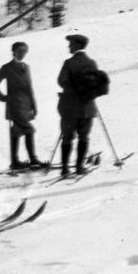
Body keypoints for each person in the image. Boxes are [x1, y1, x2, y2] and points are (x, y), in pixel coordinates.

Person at [0, 41, 41, 171]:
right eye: (19, 51)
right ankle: (33, 159)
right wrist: (3, 98)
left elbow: (29, 88)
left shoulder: (26, 67)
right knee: (29, 129)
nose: (22, 53)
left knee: (17, 130)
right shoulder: (7, 67)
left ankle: (15, 161)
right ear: (14, 52)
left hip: (25, 105)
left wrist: (33, 106)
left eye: (24, 51)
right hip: (15, 105)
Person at [56, 33, 99, 177]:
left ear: (78, 46)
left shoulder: (69, 63)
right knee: (84, 136)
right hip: (87, 107)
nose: (69, 46)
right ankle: (80, 167)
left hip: (70, 107)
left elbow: (62, 81)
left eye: (71, 43)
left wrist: (73, 88)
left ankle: (65, 169)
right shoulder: (92, 63)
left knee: (67, 137)